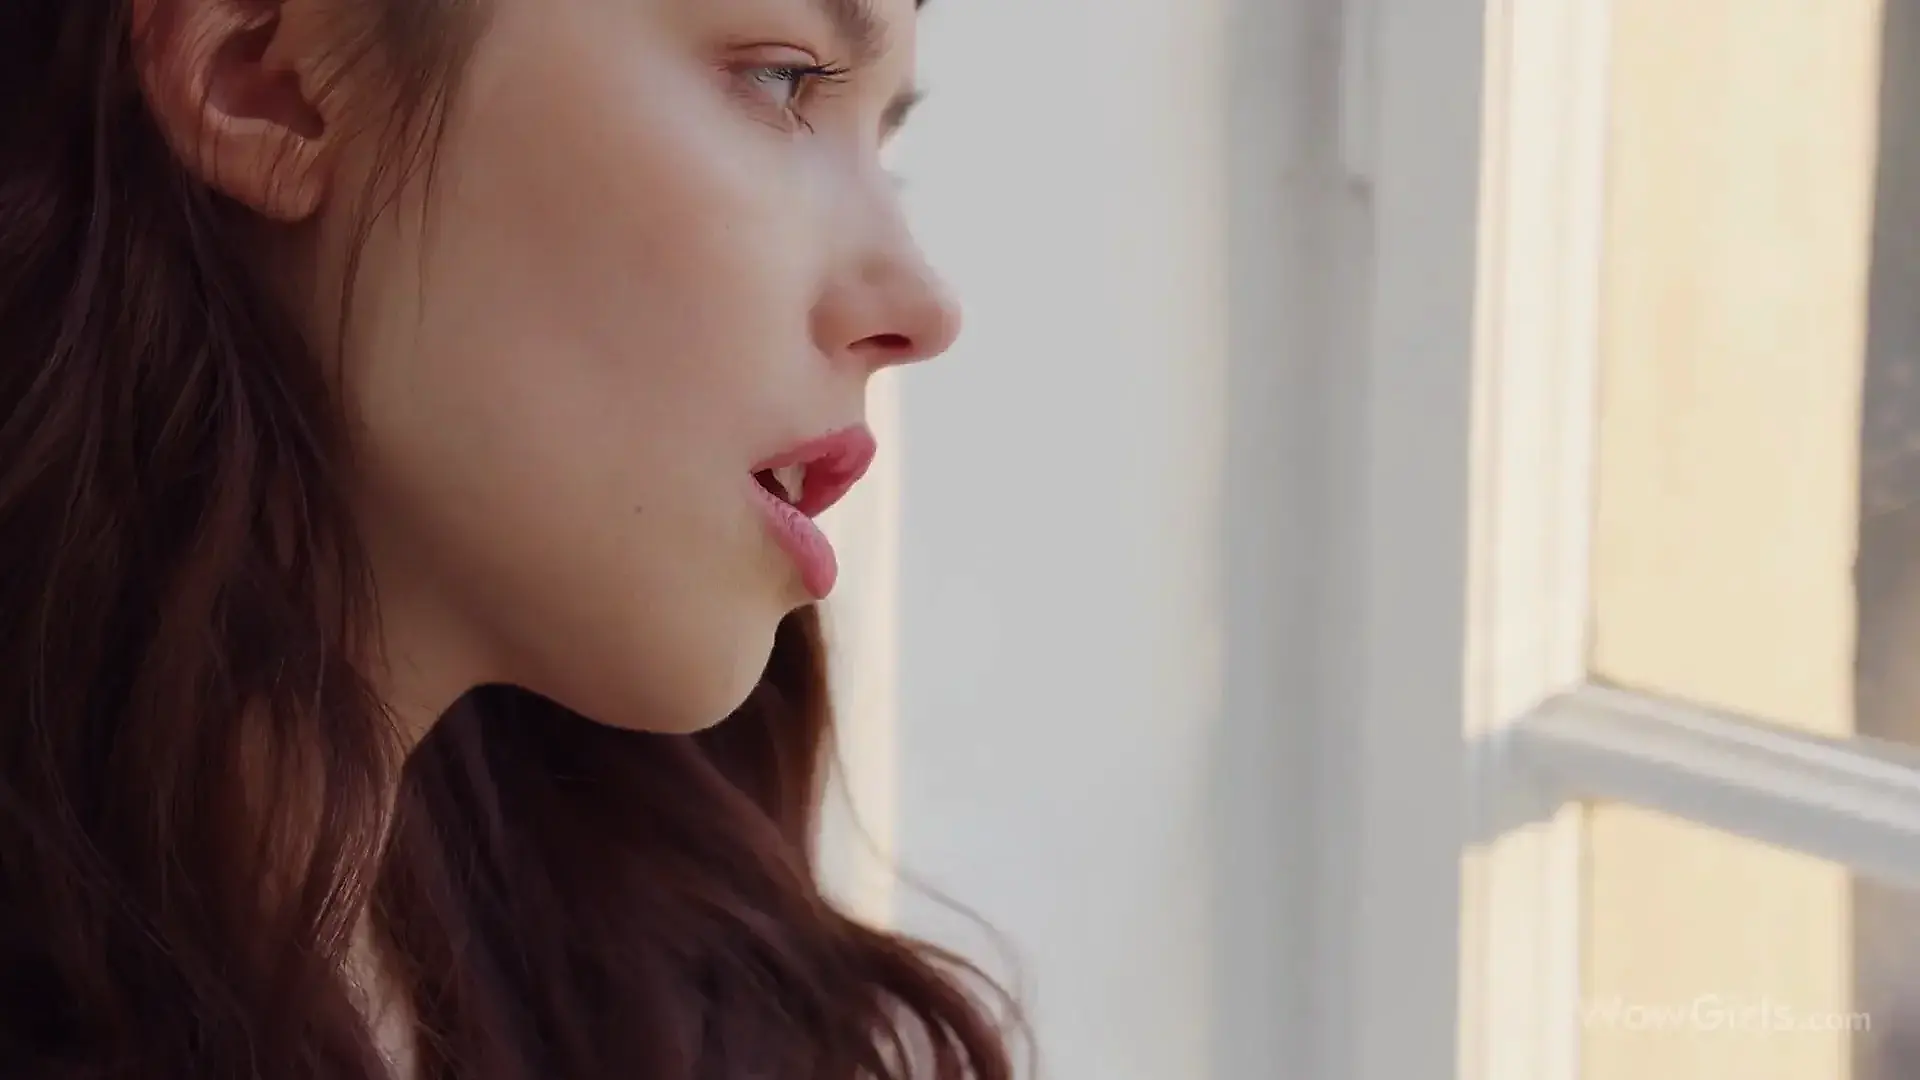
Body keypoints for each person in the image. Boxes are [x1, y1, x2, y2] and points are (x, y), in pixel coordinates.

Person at [0, 0, 1021, 1076]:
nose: (924, 310)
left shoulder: (664, 984)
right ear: (265, 75)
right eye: (785, 80)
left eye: (883, 151)